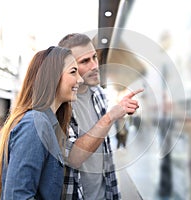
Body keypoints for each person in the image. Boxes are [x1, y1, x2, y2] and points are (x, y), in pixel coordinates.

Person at [59, 33, 143, 200]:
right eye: (84, 61)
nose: (94, 66)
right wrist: (111, 116)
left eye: (94, 57)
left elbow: (101, 140)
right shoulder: (60, 104)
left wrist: (122, 112)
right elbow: (74, 157)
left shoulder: (98, 93)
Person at [0, 46, 83, 200]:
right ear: (52, 76)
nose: (80, 79)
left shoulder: (49, 123)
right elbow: (18, 196)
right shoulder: (35, 124)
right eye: (73, 71)